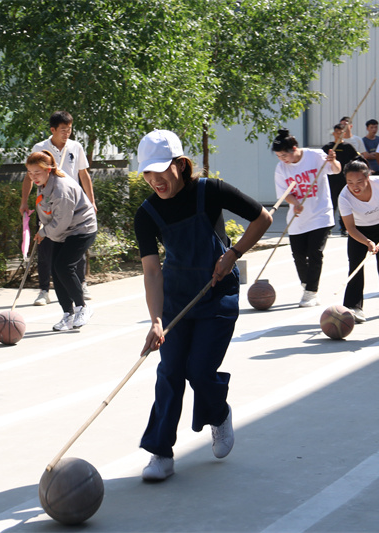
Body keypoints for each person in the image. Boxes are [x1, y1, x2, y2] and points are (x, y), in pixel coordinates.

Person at [135, 130, 272, 481]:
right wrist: (155, 320)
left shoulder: (211, 191)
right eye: (147, 174)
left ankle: (218, 412)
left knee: (199, 371)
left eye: (160, 171)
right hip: (177, 300)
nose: (155, 181)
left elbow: (263, 219)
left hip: (216, 294)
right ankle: (160, 453)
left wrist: (234, 253)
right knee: (169, 373)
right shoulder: (147, 213)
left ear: (180, 164)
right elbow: (152, 271)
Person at [20, 111, 96, 306]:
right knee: (46, 248)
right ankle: (44, 290)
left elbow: (83, 174)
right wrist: (24, 201)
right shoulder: (40, 148)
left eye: (70, 129)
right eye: (63, 130)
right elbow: (29, 176)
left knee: (73, 246)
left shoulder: (76, 147)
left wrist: (91, 200)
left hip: (72, 205)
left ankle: (81, 284)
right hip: (47, 205)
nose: (67, 133)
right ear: (52, 130)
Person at [27, 150, 97, 331]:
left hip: (81, 229)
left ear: (48, 169)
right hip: (62, 231)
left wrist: (44, 233)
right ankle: (68, 314)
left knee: (64, 266)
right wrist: (42, 227)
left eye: (37, 172)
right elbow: (49, 212)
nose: (33, 177)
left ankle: (83, 307)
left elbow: (63, 221)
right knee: (55, 269)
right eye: (30, 173)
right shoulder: (42, 184)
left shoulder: (61, 189)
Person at [272, 129, 340, 307]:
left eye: (285, 155)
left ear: (295, 148)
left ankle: (311, 292)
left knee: (315, 253)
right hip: (298, 218)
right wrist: (295, 202)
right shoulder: (281, 169)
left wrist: (333, 161)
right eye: (279, 156)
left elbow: (335, 170)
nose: (283, 159)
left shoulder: (315, 156)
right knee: (299, 255)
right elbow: (284, 193)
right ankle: (308, 283)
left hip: (320, 213)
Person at [338, 159, 379, 323]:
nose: (354, 186)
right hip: (359, 230)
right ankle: (353, 307)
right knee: (356, 266)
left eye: (359, 181)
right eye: (350, 182)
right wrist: (368, 242)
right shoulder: (344, 197)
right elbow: (350, 228)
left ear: (368, 177)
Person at [323, 124, 360, 236]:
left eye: (341, 132)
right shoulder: (328, 147)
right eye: (337, 132)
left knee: (345, 204)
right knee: (331, 204)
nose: (339, 134)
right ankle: (327, 228)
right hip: (331, 180)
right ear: (334, 133)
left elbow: (357, 159)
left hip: (345, 180)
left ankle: (345, 228)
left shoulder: (348, 147)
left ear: (344, 133)